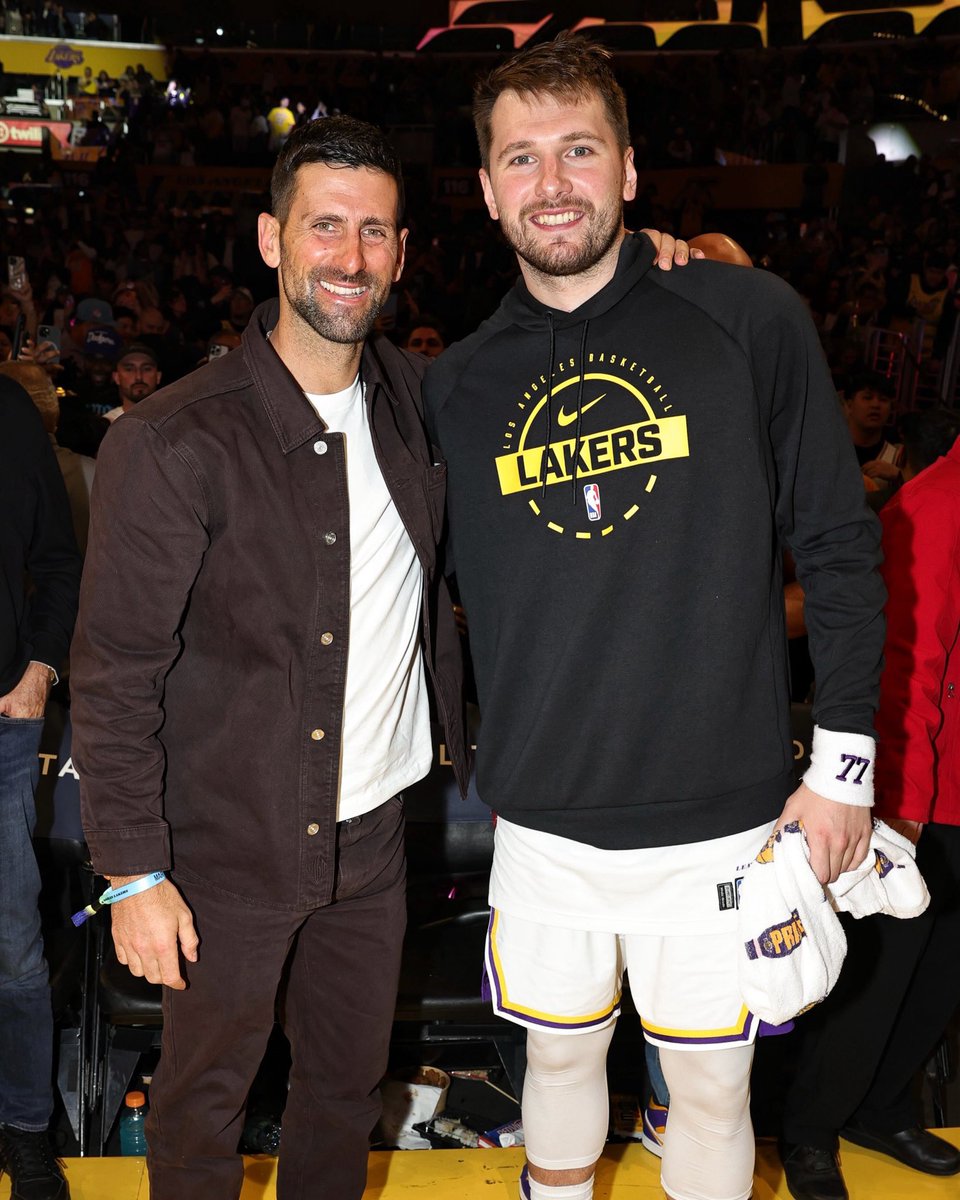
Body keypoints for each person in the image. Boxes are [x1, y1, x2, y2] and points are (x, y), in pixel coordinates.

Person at [423, 35, 884, 1200]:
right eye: (521, 158)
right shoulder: (455, 385)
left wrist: (844, 766)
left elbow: (836, 543)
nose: (553, 182)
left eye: (580, 150)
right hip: (543, 817)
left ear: (630, 171)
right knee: (559, 1056)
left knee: (715, 1090)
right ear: (486, 191)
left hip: (723, 815)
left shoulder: (747, 317)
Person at [70, 116, 470, 1200]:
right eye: (325, 227)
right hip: (224, 846)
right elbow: (114, 674)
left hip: (374, 835)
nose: (350, 258)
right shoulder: (171, 441)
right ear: (269, 239)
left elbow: (550, 335)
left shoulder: (414, 399)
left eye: (375, 231)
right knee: (203, 1106)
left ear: (399, 249)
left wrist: (670, 266)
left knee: (344, 1092)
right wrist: (133, 874)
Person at [779, 408, 960, 1200]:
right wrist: (903, 808)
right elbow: (906, 666)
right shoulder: (935, 502)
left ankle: (881, 1107)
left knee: (940, 983)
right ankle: (810, 1128)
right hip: (922, 790)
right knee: (875, 980)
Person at [0, 375, 81, 1200]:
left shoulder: (9, 411)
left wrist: (39, 670)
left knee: (13, 951)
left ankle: (24, 1127)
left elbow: (59, 557)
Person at [104, 342, 162, 421]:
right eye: (129, 369)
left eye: (147, 369)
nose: (139, 377)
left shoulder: (175, 422)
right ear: (116, 377)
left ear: (158, 376)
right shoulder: (107, 424)